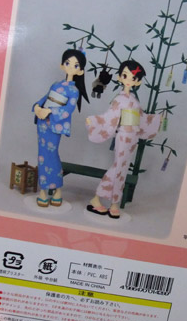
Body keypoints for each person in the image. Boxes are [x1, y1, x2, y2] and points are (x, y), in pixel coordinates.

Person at [85, 60, 161, 219]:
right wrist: (94, 120)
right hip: (123, 136)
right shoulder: (119, 99)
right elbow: (109, 117)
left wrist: (157, 120)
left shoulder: (134, 100)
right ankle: (100, 199)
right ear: (119, 77)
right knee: (118, 167)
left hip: (133, 137)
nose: (129, 80)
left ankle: (113, 203)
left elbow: (142, 118)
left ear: (137, 81)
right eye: (125, 75)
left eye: (133, 77)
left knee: (122, 169)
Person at [33, 49, 89, 207]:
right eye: (68, 63)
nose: (71, 67)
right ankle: (45, 191)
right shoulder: (55, 85)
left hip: (54, 123)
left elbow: (68, 109)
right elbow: (45, 98)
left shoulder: (74, 90)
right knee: (42, 155)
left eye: (75, 65)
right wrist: (37, 107)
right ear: (62, 65)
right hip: (43, 122)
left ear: (80, 71)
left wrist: (50, 111)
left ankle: (55, 189)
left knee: (51, 155)